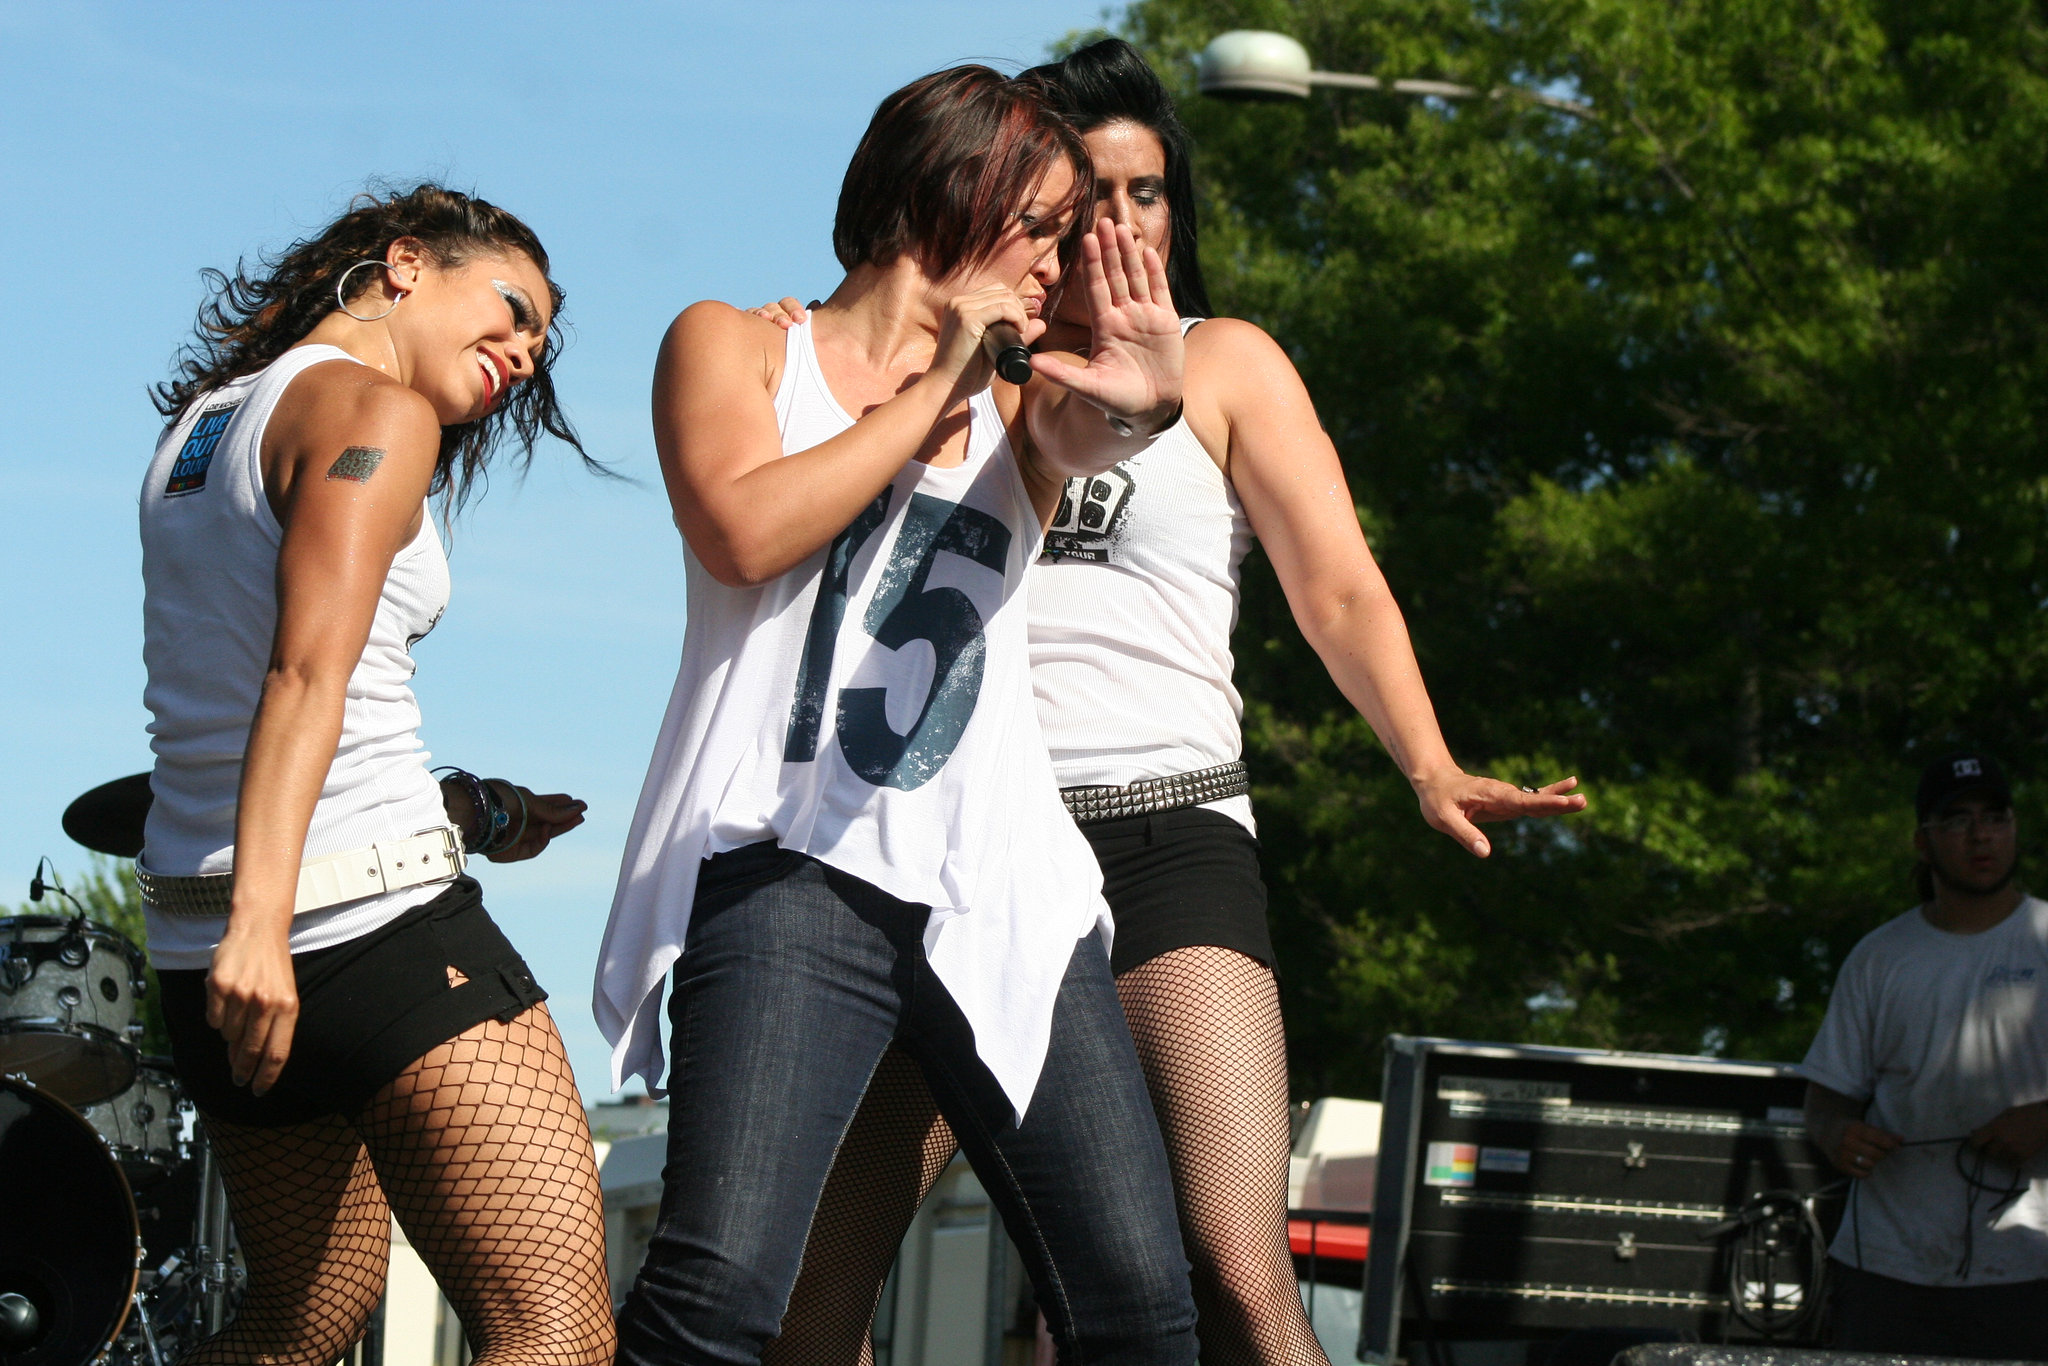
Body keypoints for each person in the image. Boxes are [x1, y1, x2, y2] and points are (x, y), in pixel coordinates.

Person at [753, 38, 1585, 1366]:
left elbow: (1342, 591)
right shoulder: (964, 371)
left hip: (1169, 838)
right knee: (807, 1299)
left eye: (1152, 194)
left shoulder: (1231, 363)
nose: (1127, 222)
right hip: (960, 851)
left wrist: (1426, 763)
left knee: (1241, 1270)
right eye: (1096, 195)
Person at [594, 65, 1199, 1366]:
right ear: (953, 194)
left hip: (1002, 888)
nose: (1061, 261)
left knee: (1143, 1308)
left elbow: (1107, 427)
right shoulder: (738, 343)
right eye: (1040, 224)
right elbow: (746, 526)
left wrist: (1151, 392)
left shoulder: (1027, 404)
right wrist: (933, 384)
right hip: (791, 877)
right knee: (718, 1293)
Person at [137, 184, 613, 1366]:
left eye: (539, 341)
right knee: (557, 1333)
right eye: (510, 309)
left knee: (302, 1319)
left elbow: (238, 692)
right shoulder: (376, 412)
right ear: (407, 264)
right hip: (358, 929)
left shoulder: (201, 430)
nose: (522, 349)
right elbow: (304, 676)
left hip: (201, 944)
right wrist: (267, 923)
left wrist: (482, 811)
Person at [1800, 751, 2048, 1358]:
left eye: (1995, 816)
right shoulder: (1880, 956)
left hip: (2031, 1260)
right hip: (1887, 1264)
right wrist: (1840, 1136)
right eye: (1958, 819)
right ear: (1922, 841)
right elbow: (1824, 1103)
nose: (1980, 834)